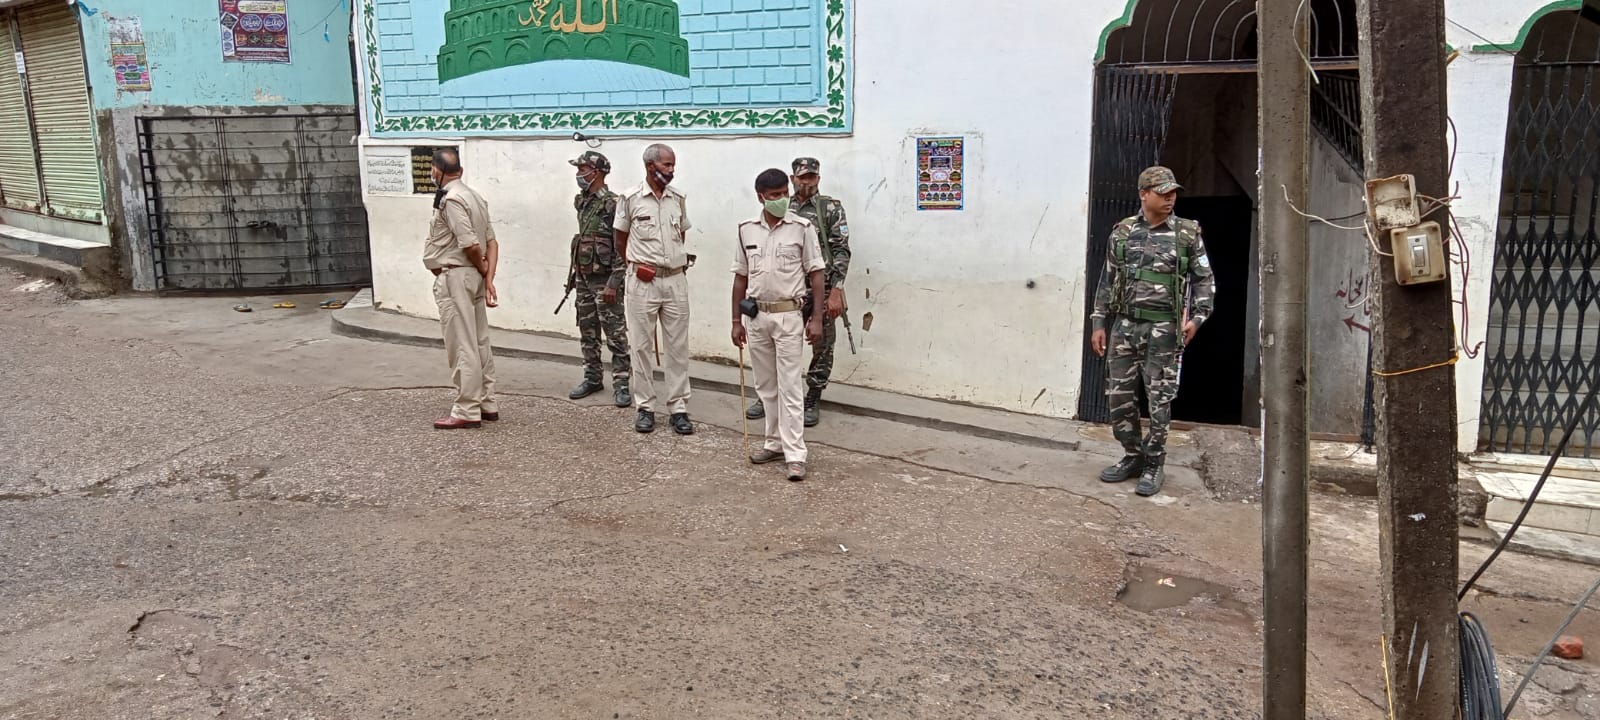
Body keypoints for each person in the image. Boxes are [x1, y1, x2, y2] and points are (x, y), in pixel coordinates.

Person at [1089, 166, 1216, 496]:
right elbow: (1108, 280)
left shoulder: (1187, 234)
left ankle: (1154, 463)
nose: (1171, 197)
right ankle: (1132, 455)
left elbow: (1205, 281)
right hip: (1125, 326)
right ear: (1144, 194)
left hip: (1164, 329)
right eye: (1163, 192)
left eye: (1173, 192)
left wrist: (1197, 320)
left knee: (1159, 399)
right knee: (1119, 397)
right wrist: (1099, 323)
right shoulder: (1123, 233)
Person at [732, 169, 826, 481]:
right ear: (760, 196)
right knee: (765, 386)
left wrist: (816, 319)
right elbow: (740, 277)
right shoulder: (747, 230)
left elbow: (816, 274)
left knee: (790, 386)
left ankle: (795, 454)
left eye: (784, 194)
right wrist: (735, 321)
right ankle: (773, 443)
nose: (781, 200)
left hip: (789, 316)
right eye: (774, 196)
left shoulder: (802, 227)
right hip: (757, 317)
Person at [746, 157, 852, 427]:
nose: (807, 182)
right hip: (787, 291)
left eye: (812, 177)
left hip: (821, 288)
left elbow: (841, 249)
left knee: (822, 345)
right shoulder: (782, 205)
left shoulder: (830, 208)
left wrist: (836, 289)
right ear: (793, 179)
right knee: (777, 346)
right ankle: (769, 397)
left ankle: (813, 396)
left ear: (818, 178)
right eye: (802, 177)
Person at [614, 143, 695, 435]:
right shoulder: (630, 198)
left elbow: (681, 235)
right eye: (666, 165)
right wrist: (638, 266)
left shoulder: (678, 199)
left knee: (677, 346)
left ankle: (678, 408)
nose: (671, 171)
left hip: (674, 279)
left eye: (673, 165)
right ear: (650, 166)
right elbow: (620, 240)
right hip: (642, 281)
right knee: (641, 345)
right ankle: (645, 406)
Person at [423, 148, 500, 430]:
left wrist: (482, 270)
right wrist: (488, 278)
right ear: (461, 171)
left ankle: (467, 408)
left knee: (462, 342)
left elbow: (470, 243)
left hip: (457, 275)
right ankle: (487, 402)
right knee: (479, 340)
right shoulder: (475, 197)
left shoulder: (452, 200)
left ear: (435, 170)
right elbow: (492, 242)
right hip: (473, 277)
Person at [566, 150, 631, 408]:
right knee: (587, 330)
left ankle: (622, 384)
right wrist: (576, 275)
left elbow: (621, 247)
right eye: (579, 170)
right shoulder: (582, 202)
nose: (579, 175)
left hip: (606, 280)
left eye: (583, 170)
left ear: (599, 172)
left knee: (615, 334)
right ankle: (592, 377)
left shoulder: (613, 204)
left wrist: (614, 282)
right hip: (584, 277)